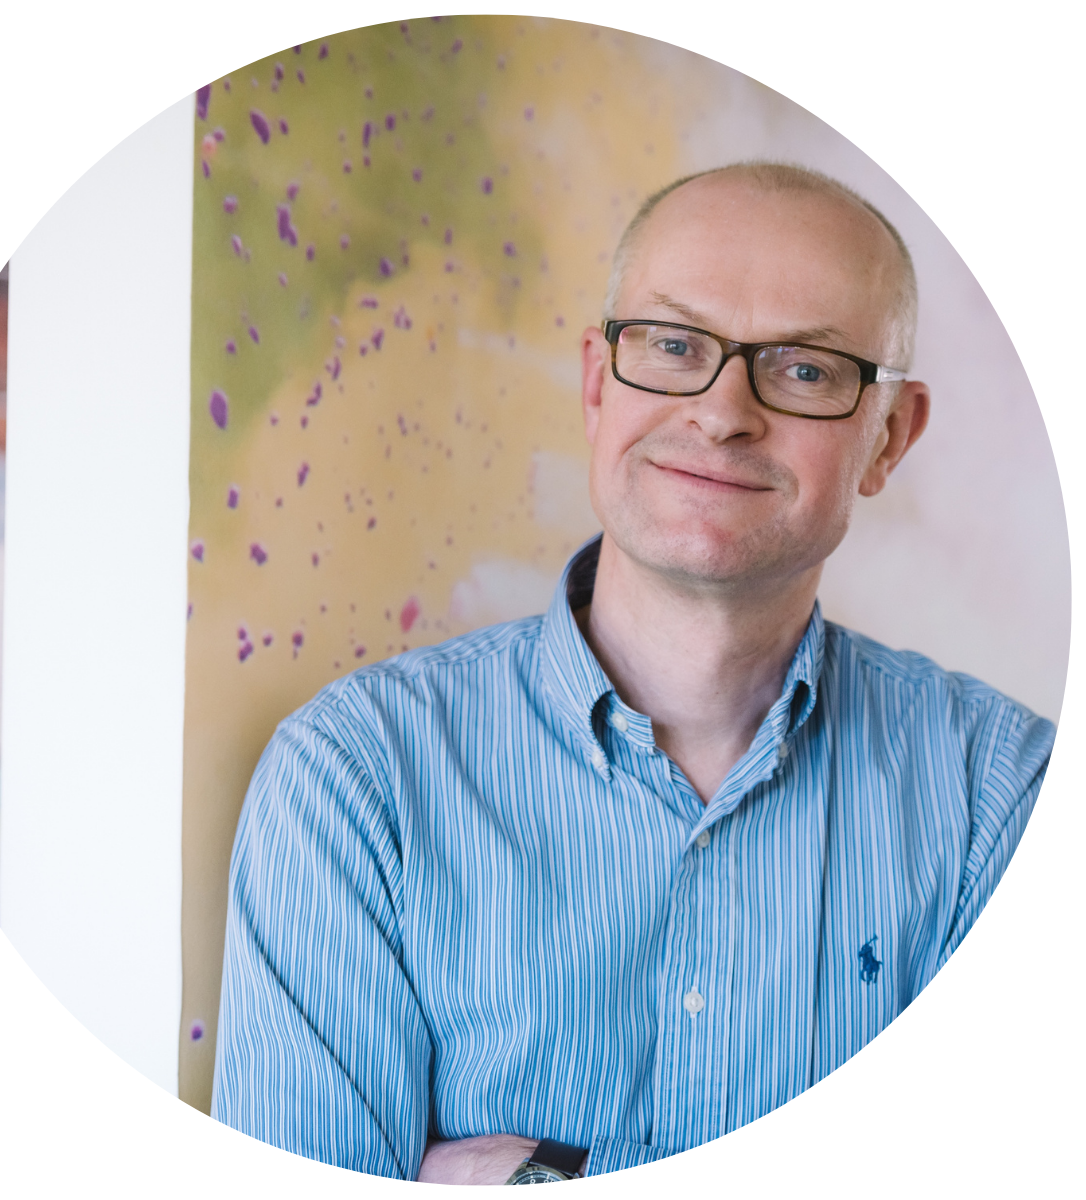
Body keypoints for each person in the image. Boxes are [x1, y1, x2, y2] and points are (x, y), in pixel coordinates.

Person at [210, 162, 1056, 1182]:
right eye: (672, 345)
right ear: (597, 384)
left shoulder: (1002, 800)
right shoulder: (354, 780)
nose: (723, 412)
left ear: (889, 438)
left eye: (804, 370)